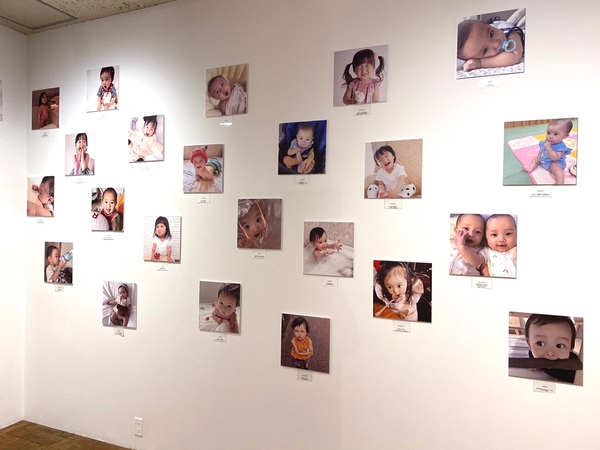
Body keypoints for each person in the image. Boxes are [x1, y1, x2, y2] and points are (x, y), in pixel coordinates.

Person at [525, 314, 579, 384]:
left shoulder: (574, 369)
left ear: (570, 348)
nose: (550, 353)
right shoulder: (536, 357)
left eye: (560, 346)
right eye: (540, 343)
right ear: (530, 345)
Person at [457, 19, 524, 72]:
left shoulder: (511, 33)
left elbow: (514, 56)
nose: (496, 44)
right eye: (485, 50)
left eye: (491, 34)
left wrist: (480, 63)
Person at [523, 119, 573, 185]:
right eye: (548, 133)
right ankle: (531, 168)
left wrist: (549, 148)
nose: (550, 136)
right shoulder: (545, 142)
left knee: (555, 167)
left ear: (565, 136)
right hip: (544, 160)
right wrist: (538, 157)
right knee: (535, 158)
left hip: (554, 162)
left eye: (555, 134)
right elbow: (541, 150)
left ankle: (559, 182)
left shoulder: (561, 147)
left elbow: (555, 158)